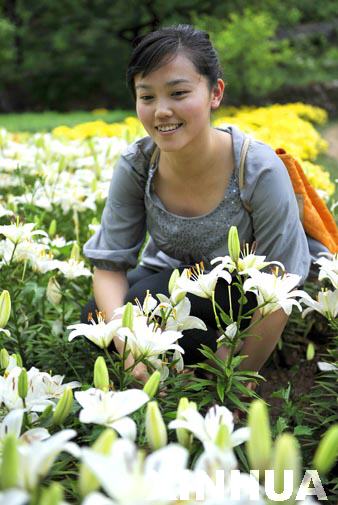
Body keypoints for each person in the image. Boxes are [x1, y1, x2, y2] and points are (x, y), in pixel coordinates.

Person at [82, 24, 311, 383]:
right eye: (147, 97)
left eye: (178, 92)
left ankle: (208, 366)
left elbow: (280, 287)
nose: (161, 111)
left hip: (247, 294)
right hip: (173, 279)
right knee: (95, 315)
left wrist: (236, 372)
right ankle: (168, 370)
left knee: (166, 307)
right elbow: (109, 265)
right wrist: (126, 344)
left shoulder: (258, 170)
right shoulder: (138, 164)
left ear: (215, 92)